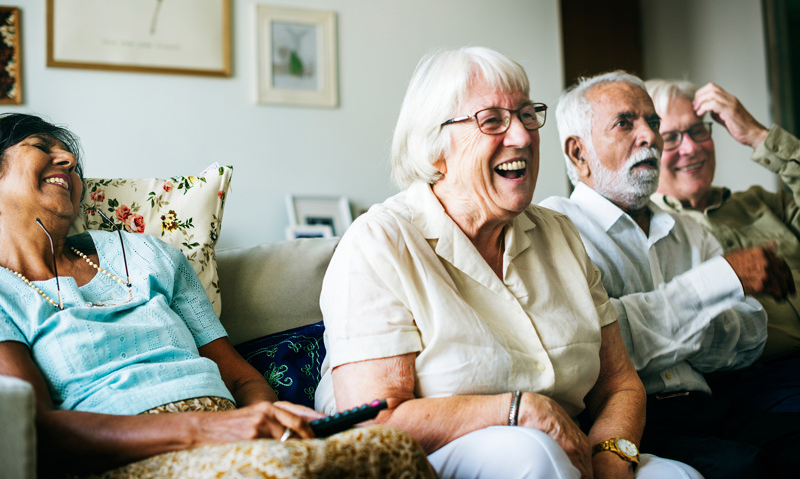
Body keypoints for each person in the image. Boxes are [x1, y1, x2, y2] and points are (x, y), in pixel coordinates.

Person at [314, 47, 700, 479]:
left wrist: (612, 454)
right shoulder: (380, 242)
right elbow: (373, 421)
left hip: (573, 450)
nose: (522, 136)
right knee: (532, 455)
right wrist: (519, 410)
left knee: (678, 476)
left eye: (526, 114)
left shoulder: (560, 234)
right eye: (493, 120)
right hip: (439, 460)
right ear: (435, 146)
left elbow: (620, 384)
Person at [0, 113, 435, 479]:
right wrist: (208, 430)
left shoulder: (146, 253)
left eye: (73, 162)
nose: (70, 161)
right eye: (42, 146)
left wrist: (267, 421)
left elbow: (242, 378)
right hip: (130, 454)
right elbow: (34, 428)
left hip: (233, 430)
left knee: (391, 447)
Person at [540, 70, 798, 478]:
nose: (650, 137)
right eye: (626, 123)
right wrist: (714, 286)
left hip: (712, 406)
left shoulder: (690, 231)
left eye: (653, 122)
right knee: (744, 469)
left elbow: (749, 334)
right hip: (631, 423)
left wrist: (649, 328)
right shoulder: (555, 228)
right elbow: (596, 348)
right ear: (578, 153)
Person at [647, 79, 800, 362]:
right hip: (759, 382)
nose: (691, 148)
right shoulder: (649, 233)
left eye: (698, 130)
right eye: (670, 138)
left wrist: (758, 135)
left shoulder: (762, 203)